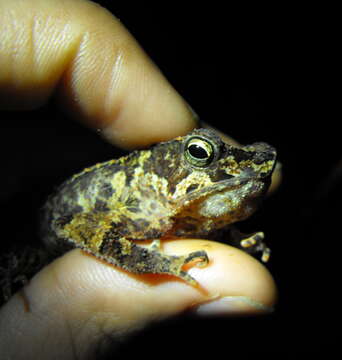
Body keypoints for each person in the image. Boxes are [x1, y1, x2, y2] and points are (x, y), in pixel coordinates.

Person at [0, 0, 279, 358]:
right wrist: (153, 265)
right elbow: (73, 223)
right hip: (42, 244)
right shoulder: (144, 203)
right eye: (200, 155)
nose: (251, 178)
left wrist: (234, 236)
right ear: (164, 170)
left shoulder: (189, 213)